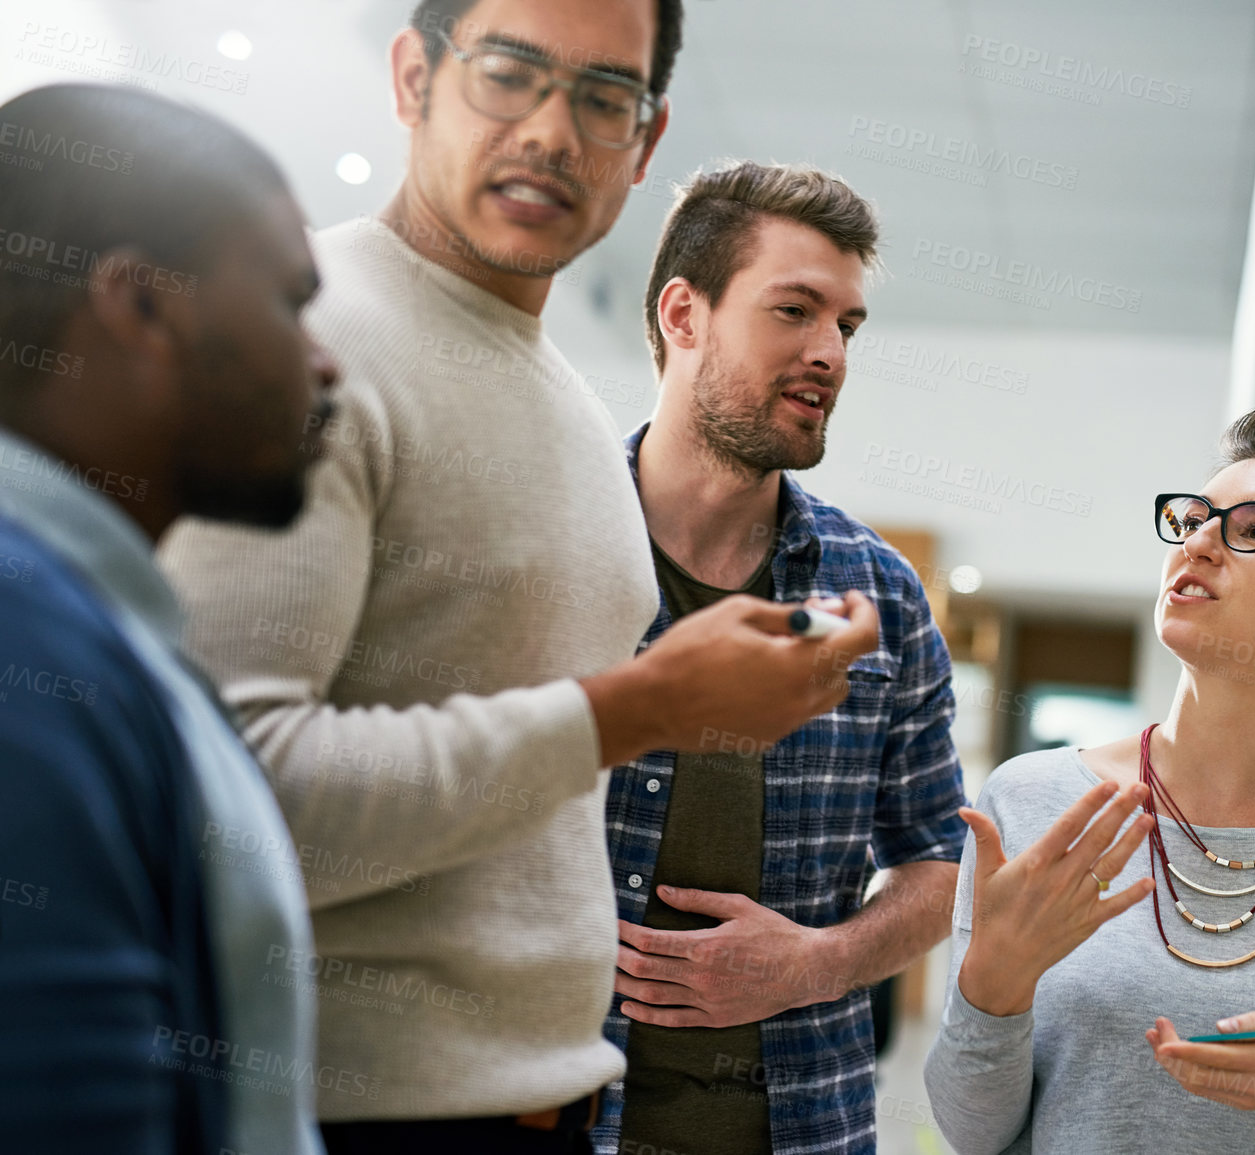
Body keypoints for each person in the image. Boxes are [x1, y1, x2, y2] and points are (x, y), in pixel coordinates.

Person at [156, 3, 879, 1152]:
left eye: (603, 98)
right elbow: (215, 805)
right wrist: (637, 710)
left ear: (645, 146)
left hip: (547, 1110)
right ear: (412, 78)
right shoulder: (312, 348)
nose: (552, 131)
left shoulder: (578, 421)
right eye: (508, 73)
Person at [924, 405, 1255, 1153]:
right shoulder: (1030, 799)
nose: (1199, 541)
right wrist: (992, 986)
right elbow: (970, 1133)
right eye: (1194, 517)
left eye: (1251, 528)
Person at [598, 162, 968, 1155]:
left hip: (803, 1130)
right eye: (794, 310)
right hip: (548, 1115)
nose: (829, 354)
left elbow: (941, 859)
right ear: (684, 314)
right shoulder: (550, 545)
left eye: (846, 325)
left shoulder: (879, 595)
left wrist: (816, 963)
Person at [0, 83, 336, 1154]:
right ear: (142, 307)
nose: (324, 364)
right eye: (292, 301)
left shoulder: (94, 633)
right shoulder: (25, 651)